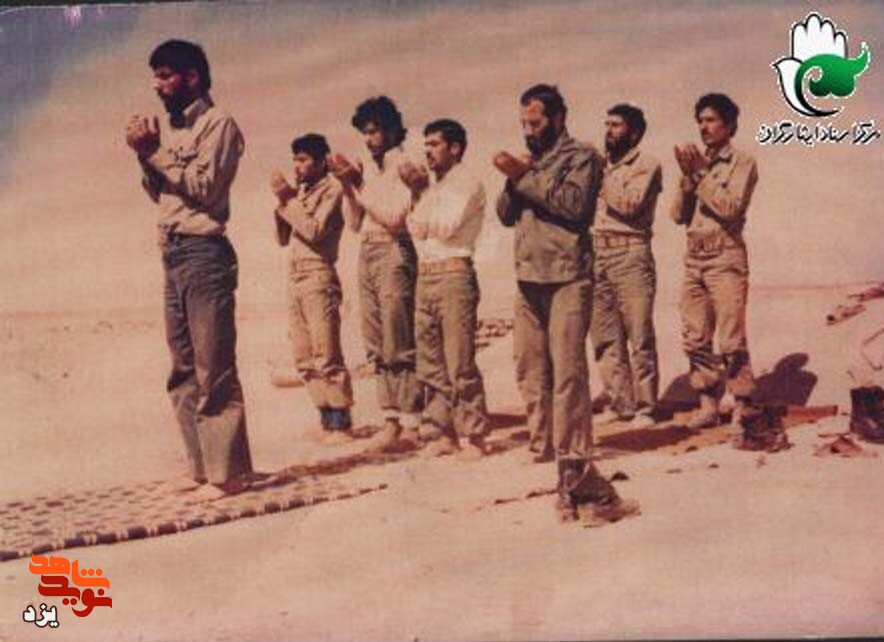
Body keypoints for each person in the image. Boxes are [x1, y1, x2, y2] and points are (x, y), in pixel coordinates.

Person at [494, 83, 636, 524]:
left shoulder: (583, 156)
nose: (528, 130)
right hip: (528, 280)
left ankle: (578, 471)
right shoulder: (531, 161)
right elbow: (504, 214)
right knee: (530, 370)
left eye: (535, 122)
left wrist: (523, 176)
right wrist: (515, 177)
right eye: (523, 123)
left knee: (569, 377)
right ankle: (557, 465)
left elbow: (573, 206)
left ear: (558, 118)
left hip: (567, 279)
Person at [125, 39, 253, 498]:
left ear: (192, 77)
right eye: (155, 76)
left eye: (164, 75)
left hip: (204, 252)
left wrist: (154, 151)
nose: (156, 85)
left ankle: (227, 474)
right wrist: (145, 154)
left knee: (212, 366)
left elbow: (204, 187)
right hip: (174, 252)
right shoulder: (175, 130)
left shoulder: (219, 123)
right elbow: (160, 194)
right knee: (182, 368)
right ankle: (200, 468)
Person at [328, 96, 423, 452]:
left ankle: (412, 421)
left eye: (374, 131)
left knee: (398, 336)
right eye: (365, 133)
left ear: (391, 130)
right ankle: (390, 419)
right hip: (367, 250)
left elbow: (396, 218)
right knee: (375, 340)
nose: (369, 140)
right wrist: (348, 188)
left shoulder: (405, 164)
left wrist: (359, 187)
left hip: (395, 248)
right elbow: (354, 223)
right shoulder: (366, 167)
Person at [671, 92, 759, 430]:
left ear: (729, 125)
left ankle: (743, 404)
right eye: (700, 121)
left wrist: (701, 175)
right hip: (694, 258)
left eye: (710, 120)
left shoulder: (742, 162)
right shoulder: (696, 164)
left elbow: (730, 208)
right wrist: (686, 181)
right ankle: (708, 403)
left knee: (731, 340)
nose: (703, 127)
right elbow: (677, 215)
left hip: (725, 257)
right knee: (695, 338)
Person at [403, 119, 489, 458]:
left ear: (455, 148)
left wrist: (421, 196)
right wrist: (419, 195)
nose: (428, 151)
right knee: (430, 361)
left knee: (459, 361)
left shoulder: (466, 182)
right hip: (426, 274)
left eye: (434, 144)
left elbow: (444, 226)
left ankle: (474, 435)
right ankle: (441, 432)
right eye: (426, 144)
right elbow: (414, 228)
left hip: (454, 273)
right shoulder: (432, 187)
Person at [270, 133, 354, 443]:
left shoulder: (332, 190)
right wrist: (284, 202)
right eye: (295, 159)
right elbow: (282, 239)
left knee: (326, 353)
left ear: (321, 162)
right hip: (296, 276)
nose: (297, 165)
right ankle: (325, 418)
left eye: (304, 159)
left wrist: (289, 201)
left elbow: (314, 230)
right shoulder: (301, 193)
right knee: (303, 357)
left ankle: (341, 422)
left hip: (318, 274)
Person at [589, 103, 662, 429]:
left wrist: (603, 174)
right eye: (607, 124)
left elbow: (629, 204)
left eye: (616, 125)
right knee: (605, 336)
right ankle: (620, 403)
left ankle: (646, 407)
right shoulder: (602, 166)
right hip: (597, 253)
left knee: (639, 334)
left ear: (634, 132)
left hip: (631, 253)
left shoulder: (647, 164)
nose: (608, 131)